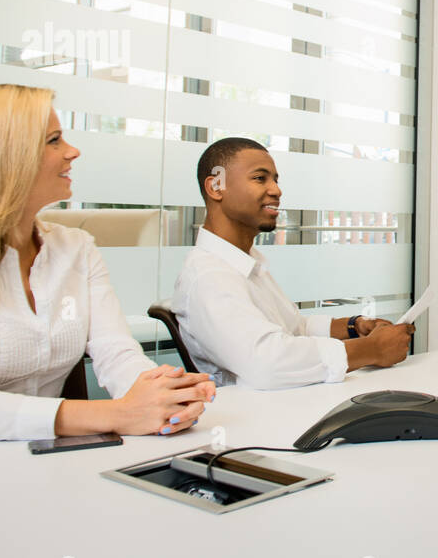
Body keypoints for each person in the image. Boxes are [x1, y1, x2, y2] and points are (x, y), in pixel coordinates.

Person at [0, 84, 214, 441]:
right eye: (54, 140)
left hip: (42, 465)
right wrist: (117, 414)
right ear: (4, 157)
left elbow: (117, 355)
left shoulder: (76, 248)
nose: (72, 151)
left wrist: (163, 396)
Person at [172, 137, 413, 389]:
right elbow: (267, 363)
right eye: (260, 178)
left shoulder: (244, 264)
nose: (276, 190)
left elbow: (293, 328)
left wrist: (353, 327)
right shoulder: (209, 277)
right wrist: (371, 349)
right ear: (216, 186)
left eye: (275, 179)